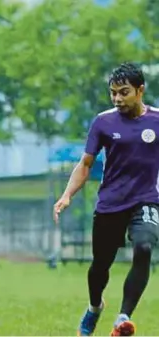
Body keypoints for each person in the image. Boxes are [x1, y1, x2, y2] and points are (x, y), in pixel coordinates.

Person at [53, 62, 159, 337]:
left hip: (146, 199)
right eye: (113, 93)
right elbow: (85, 164)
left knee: (145, 247)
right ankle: (95, 307)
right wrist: (66, 195)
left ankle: (122, 318)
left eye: (124, 92)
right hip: (111, 203)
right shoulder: (103, 121)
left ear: (140, 90)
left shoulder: (157, 121)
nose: (117, 99)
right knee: (99, 267)